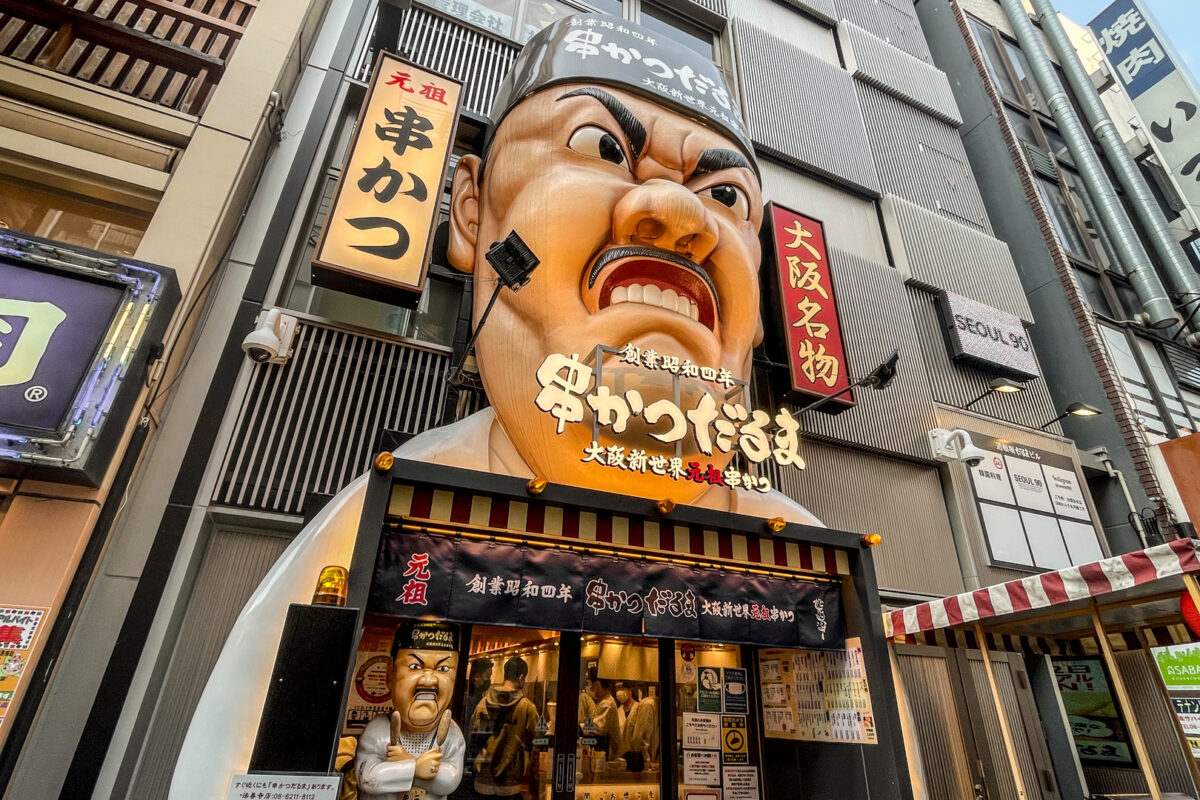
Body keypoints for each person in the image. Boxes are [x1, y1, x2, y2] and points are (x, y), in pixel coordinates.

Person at [394, 14, 821, 527]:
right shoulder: (400, 513)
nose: (680, 214)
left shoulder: (792, 548)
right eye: (602, 147)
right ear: (473, 212)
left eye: (726, 196)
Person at [356, 621, 466, 800]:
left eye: (443, 669)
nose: (429, 680)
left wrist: (405, 764)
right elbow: (368, 778)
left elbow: (450, 780)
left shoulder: (452, 733)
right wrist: (416, 769)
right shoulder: (379, 729)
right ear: (390, 676)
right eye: (415, 667)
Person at [471, 656, 540, 797]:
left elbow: (474, 735)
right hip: (510, 780)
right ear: (521, 677)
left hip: (483, 777)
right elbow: (536, 740)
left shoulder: (483, 703)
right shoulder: (527, 707)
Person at [585, 672, 621, 760]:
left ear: (597, 685)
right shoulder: (602, 701)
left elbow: (597, 728)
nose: (589, 689)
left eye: (590, 685)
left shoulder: (607, 704)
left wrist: (580, 727)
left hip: (607, 754)